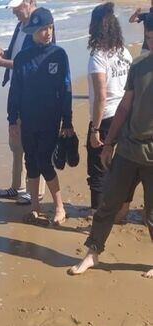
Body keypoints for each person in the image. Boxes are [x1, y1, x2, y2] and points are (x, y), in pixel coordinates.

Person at [70, 16, 153, 277]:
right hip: (128, 149)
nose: (152, 41)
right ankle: (92, 254)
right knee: (108, 203)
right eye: (149, 37)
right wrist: (109, 144)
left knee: (151, 214)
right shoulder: (138, 64)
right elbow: (124, 106)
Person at [7, 7, 73, 225]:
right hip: (27, 120)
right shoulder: (23, 58)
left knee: (45, 162)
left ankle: (60, 207)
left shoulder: (59, 55)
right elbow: (15, 89)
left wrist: (67, 120)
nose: (48, 32)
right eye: (43, 29)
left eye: (50, 28)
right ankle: (35, 207)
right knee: (31, 162)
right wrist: (12, 119)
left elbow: (66, 89)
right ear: (33, 31)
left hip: (50, 120)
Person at [0, 0, 47, 205]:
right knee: (16, 141)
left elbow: (34, 61)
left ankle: (35, 191)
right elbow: (15, 55)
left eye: (17, 7)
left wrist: (2, 63)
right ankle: (18, 185)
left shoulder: (42, 23)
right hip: (18, 90)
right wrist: (0, 53)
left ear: (30, 2)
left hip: (34, 93)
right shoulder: (20, 26)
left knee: (33, 142)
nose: (14, 12)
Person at [86, 2, 133, 220]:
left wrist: (95, 129)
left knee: (98, 167)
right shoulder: (124, 52)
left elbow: (101, 96)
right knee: (123, 167)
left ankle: (97, 212)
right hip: (126, 115)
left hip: (105, 118)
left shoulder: (98, 55)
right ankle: (121, 212)